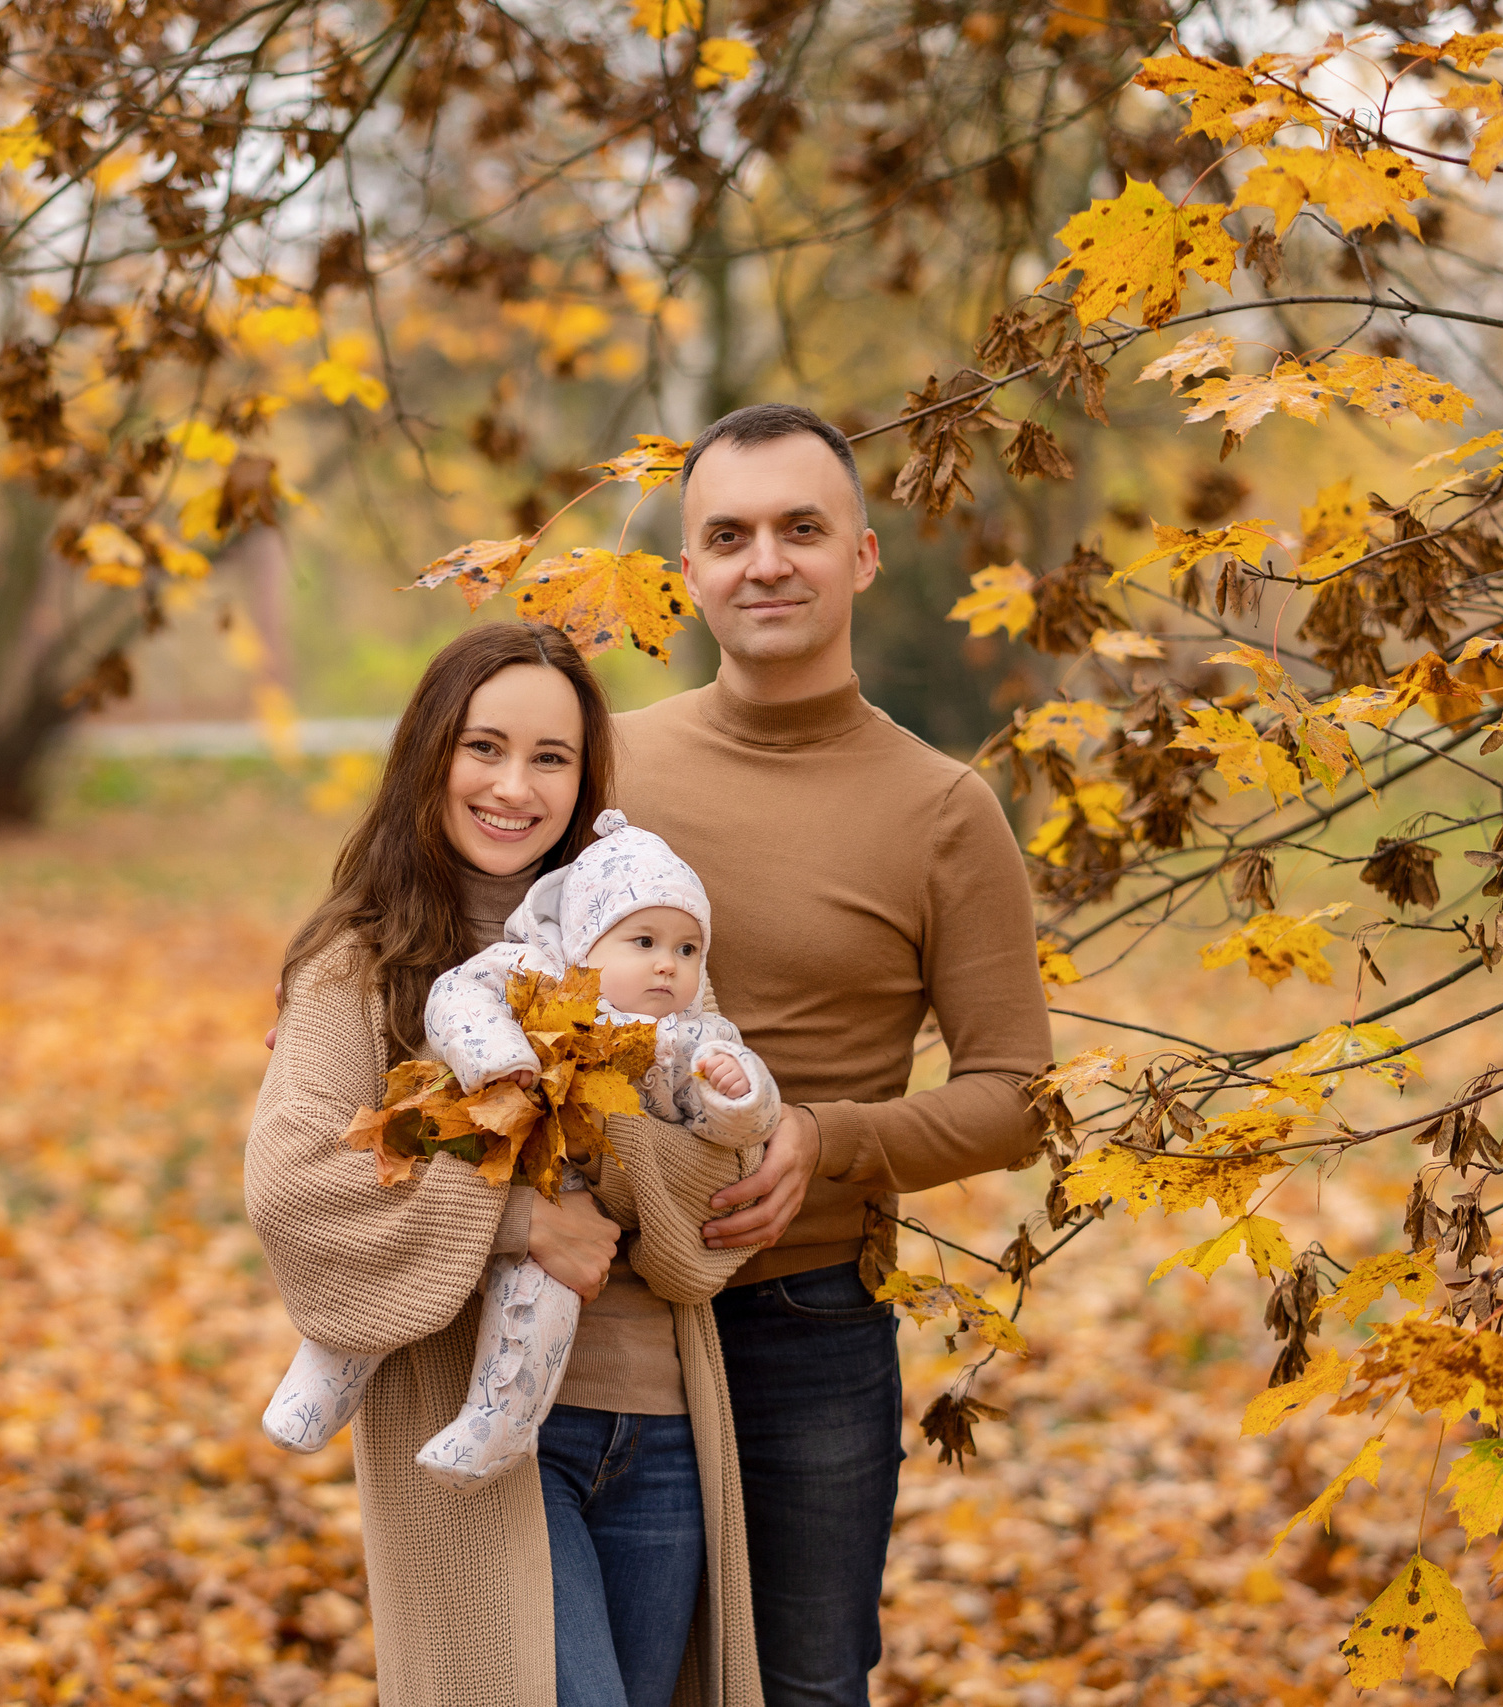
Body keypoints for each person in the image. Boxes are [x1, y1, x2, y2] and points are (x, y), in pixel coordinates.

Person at [613, 404, 1052, 1706]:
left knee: (805, 1685)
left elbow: (1017, 1095)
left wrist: (831, 1138)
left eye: (802, 528)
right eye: (730, 534)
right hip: (603, 1308)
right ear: (691, 570)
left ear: (862, 553)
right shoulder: (607, 765)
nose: (767, 562)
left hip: (808, 1320)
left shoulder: (942, 811)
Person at [245, 622, 764, 1707]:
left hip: (660, 1422)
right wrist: (520, 1222)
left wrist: (586, 1122)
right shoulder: (361, 964)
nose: (512, 786)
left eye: (550, 758)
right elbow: (295, 1185)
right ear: (431, 753)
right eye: (484, 747)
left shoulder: (640, 942)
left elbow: (716, 1181)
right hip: (482, 1439)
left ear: (582, 783)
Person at [262, 809, 780, 1491]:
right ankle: (333, 1362)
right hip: (467, 1148)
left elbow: (732, 1132)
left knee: (539, 1294)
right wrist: (500, 1058)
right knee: (396, 1254)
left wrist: (738, 1097)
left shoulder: (686, 1038)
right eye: (645, 939)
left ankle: (499, 1416)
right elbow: (457, 994)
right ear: (586, 937)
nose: (667, 963)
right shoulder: (534, 970)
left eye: (688, 950)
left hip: (559, 1191)